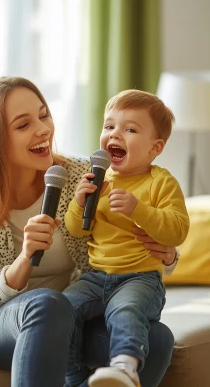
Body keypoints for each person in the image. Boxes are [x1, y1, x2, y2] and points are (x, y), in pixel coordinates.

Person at [0, 77, 180, 387]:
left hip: (71, 314)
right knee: (47, 303)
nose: (43, 129)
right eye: (23, 124)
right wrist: (26, 257)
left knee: (157, 338)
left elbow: (124, 234)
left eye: (44, 115)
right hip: (2, 322)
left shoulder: (82, 176)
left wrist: (168, 254)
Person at [63, 89, 189, 387]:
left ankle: (125, 367)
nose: (115, 134)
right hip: (96, 277)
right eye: (109, 126)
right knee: (62, 309)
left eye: (130, 129)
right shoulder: (98, 179)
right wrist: (80, 202)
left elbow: (177, 230)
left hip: (140, 279)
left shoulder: (161, 182)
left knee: (126, 310)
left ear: (154, 148)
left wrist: (139, 210)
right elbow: (76, 229)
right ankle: (74, 378)